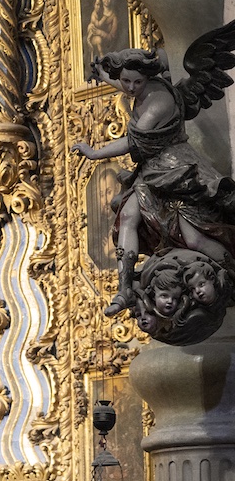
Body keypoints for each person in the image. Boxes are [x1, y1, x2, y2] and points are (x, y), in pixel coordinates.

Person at [70, 47, 235, 318]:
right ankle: (123, 288)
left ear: (147, 77)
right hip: (151, 171)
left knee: (193, 239)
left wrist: (95, 152)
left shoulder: (159, 101)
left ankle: (229, 271)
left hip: (175, 169)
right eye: (126, 81)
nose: (131, 87)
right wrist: (103, 74)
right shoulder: (141, 84)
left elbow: (132, 142)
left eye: (137, 82)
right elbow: (123, 81)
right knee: (128, 216)